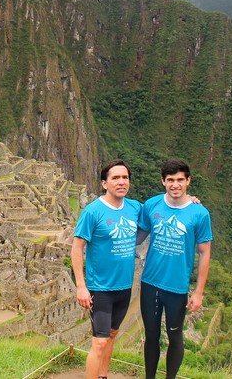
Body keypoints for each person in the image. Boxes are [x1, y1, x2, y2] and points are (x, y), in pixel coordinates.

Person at [137, 158, 212, 379]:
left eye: (180, 180)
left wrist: (198, 292)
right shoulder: (152, 205)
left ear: (188, 181)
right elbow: (138, 236)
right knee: (151, 336)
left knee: (175, 336)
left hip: (177, 287)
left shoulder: (199, 214)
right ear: (163, 181)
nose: (175, 185)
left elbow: (205, 252)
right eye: (170, 180)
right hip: (150, 282)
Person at [72, 159, 140, 379]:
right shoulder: (93, 212)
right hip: (100, 287)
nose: (121, 182)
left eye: (125, 177)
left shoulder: (135, 208)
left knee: (111, 335)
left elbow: (163, 208)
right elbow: (77, 248)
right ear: (104, 183)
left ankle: (103, 376)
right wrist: (81, 286)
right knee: (99, 341)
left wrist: (189, 199)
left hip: (124, 286)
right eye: (115, 178)